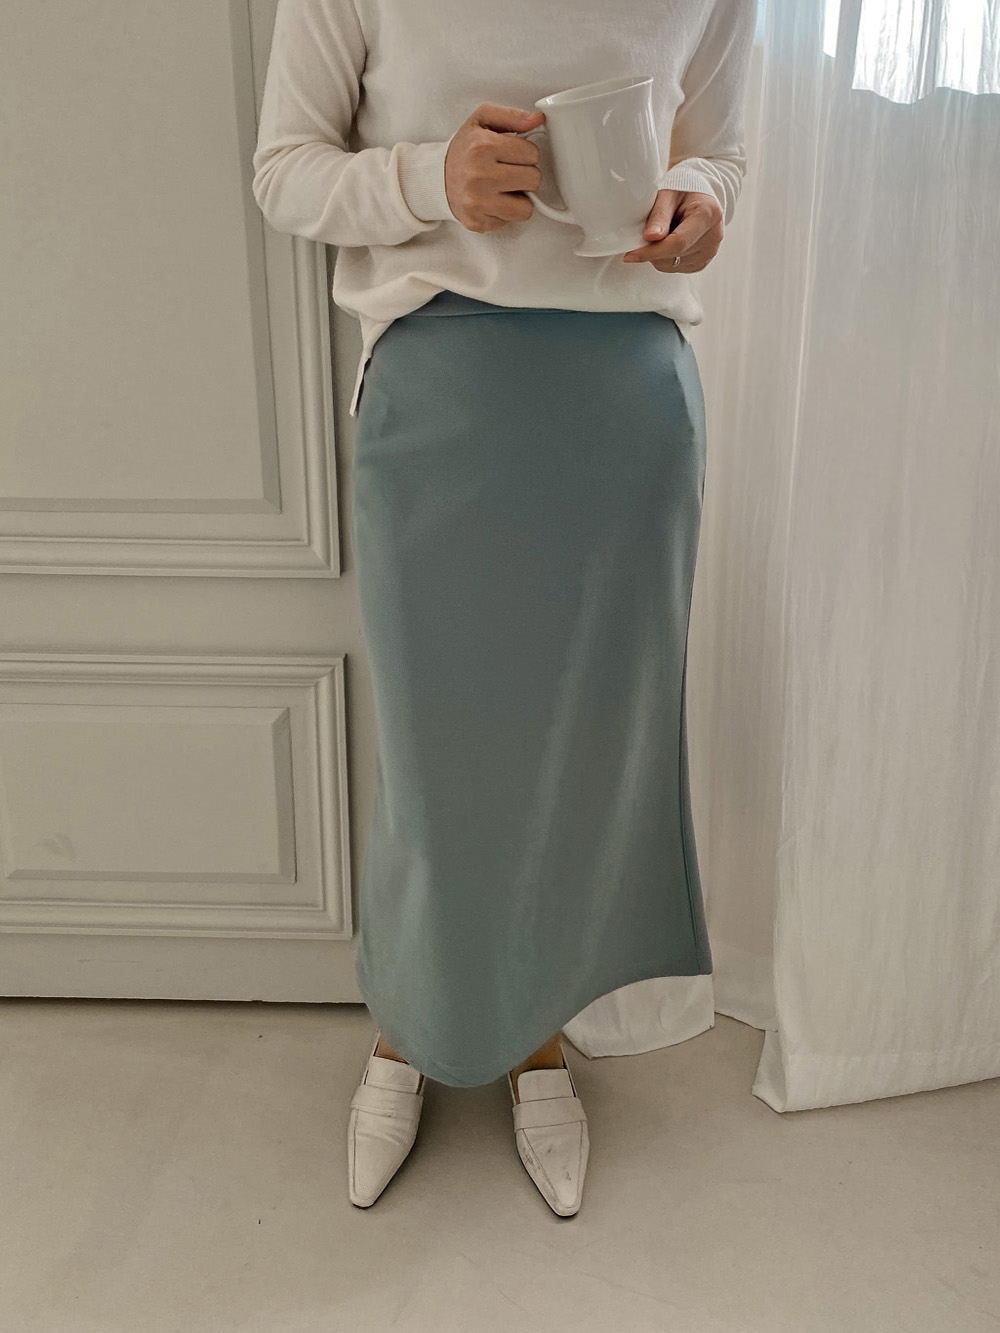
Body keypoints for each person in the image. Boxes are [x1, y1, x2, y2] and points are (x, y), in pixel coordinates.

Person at [252, 0, 756, 1216]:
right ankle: (407, 1029)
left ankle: (537, 1038)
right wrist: (430, 179)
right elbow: (284, 170)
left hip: (624, 400)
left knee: (586, 751)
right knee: (436, 754)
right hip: (441, 384)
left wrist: (699, 203)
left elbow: (723, 151)